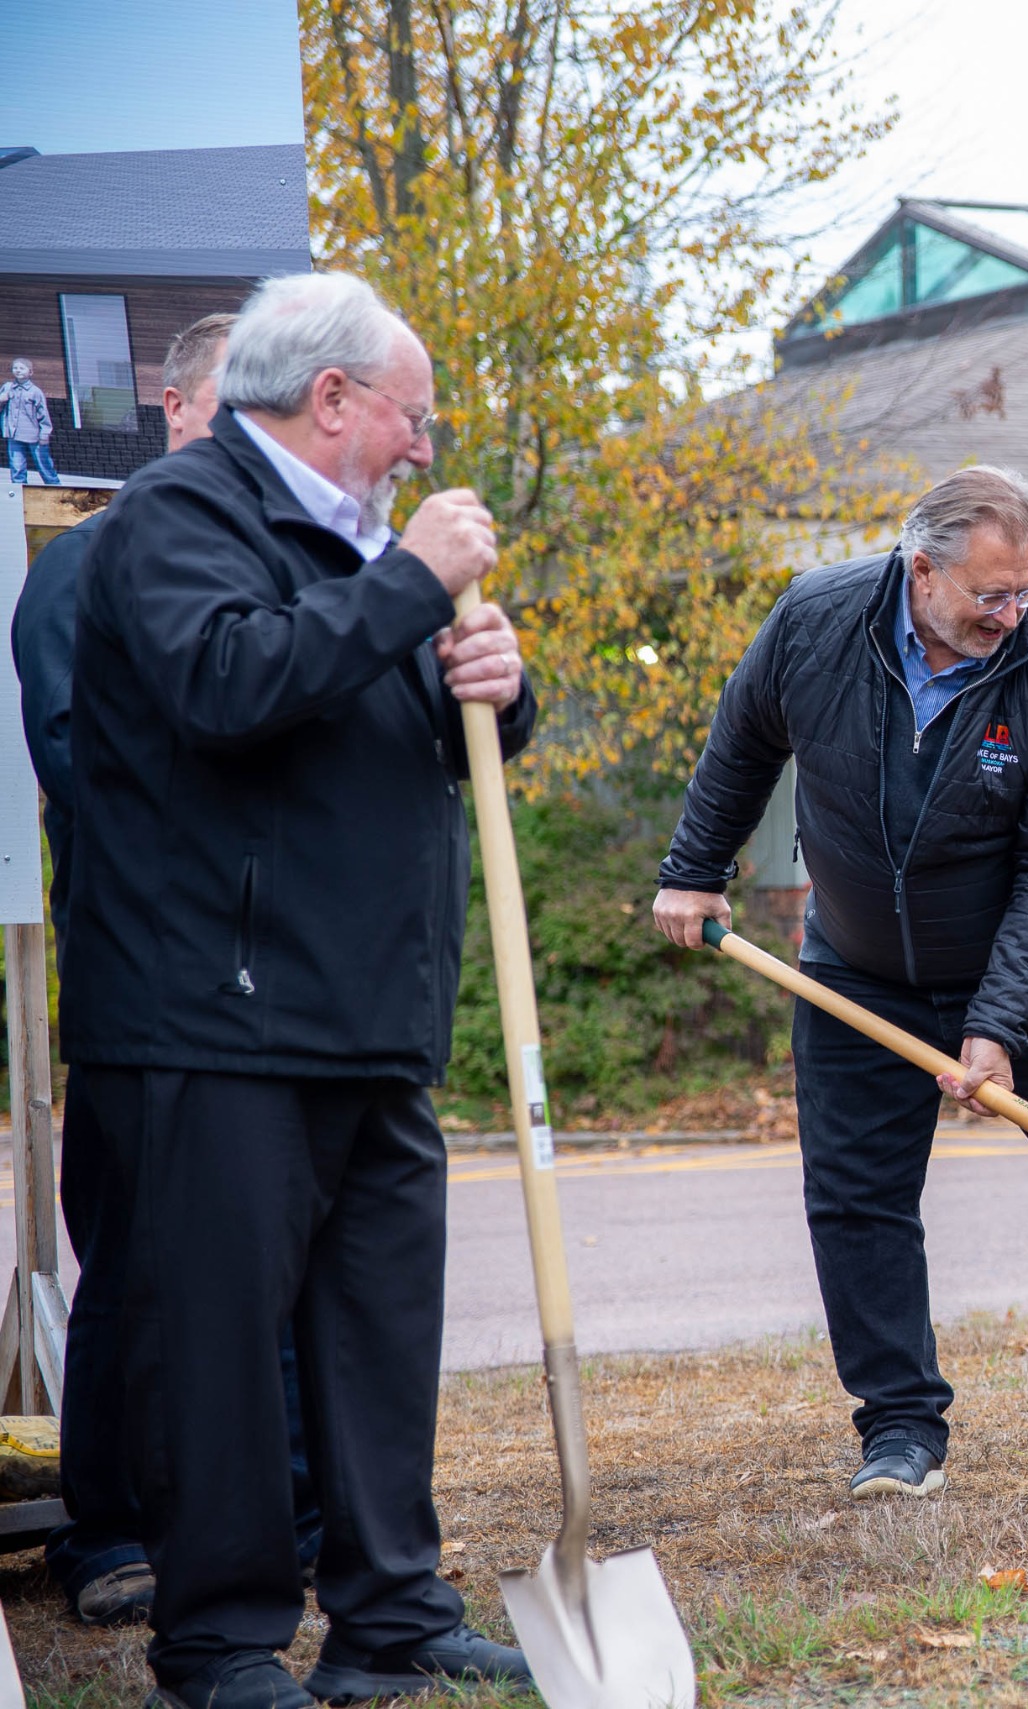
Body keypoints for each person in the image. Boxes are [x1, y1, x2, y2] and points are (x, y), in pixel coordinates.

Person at [61, 270, 538, 1709]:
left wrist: (499, 690)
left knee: (379, 1339)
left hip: (371, 1018)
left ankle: (390, 1614)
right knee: (214, 1349)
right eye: (414, 416)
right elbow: (228, 686)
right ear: (332, 399)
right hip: (217, 1016)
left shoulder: (365, 547)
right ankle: (220, 1641)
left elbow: (411, 745)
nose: (424, 447)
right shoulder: (176, 520)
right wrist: (410, 588)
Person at [653, 465, 1028, 1501]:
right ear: (921, 569)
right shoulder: (818, 620)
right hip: (858, 968)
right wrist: (693, 868)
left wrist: (999, 1023)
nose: (1011, 614)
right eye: (989, 594)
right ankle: (900, 1431)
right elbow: (743, 742)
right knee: (858, 1203)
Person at [12, 314, 325, 1630]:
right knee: (138, 1260)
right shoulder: (88, 567)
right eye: (236, 411)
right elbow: (93, 770)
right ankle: (113, 1526)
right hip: (152, 983)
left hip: (289, 993)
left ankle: (295, 1517)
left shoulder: (304, 569)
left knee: (287, 1269)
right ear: (179, 409)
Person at [4, 358, 60, 484]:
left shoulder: (35, 392)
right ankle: (20, 493)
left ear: (30, 372)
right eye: (15, 368)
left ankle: (56, 488)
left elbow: (43, 414)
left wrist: (45, 434)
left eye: (22, 368)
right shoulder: (8, 387)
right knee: (17, 468)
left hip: (33, 435)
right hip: (14, 435)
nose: (18, 370)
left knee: (44, 465)